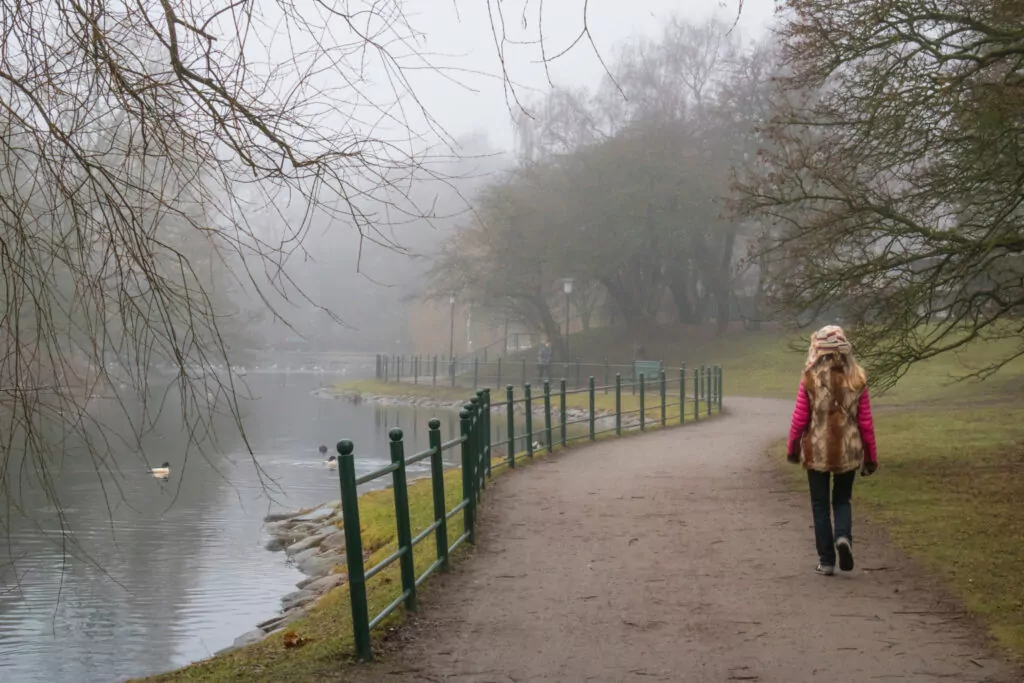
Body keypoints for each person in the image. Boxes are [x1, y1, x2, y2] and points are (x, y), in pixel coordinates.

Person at [786, 325, 878, 576]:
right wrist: (870, 455)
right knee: (841, 499)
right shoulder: (857, 378)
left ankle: (826, 560)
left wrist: (793, 446)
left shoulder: (810, 378)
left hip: (817, 449)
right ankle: (843, 537)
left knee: (819, 504)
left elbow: (799, 418)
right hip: (848, 449)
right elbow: (866, 421)